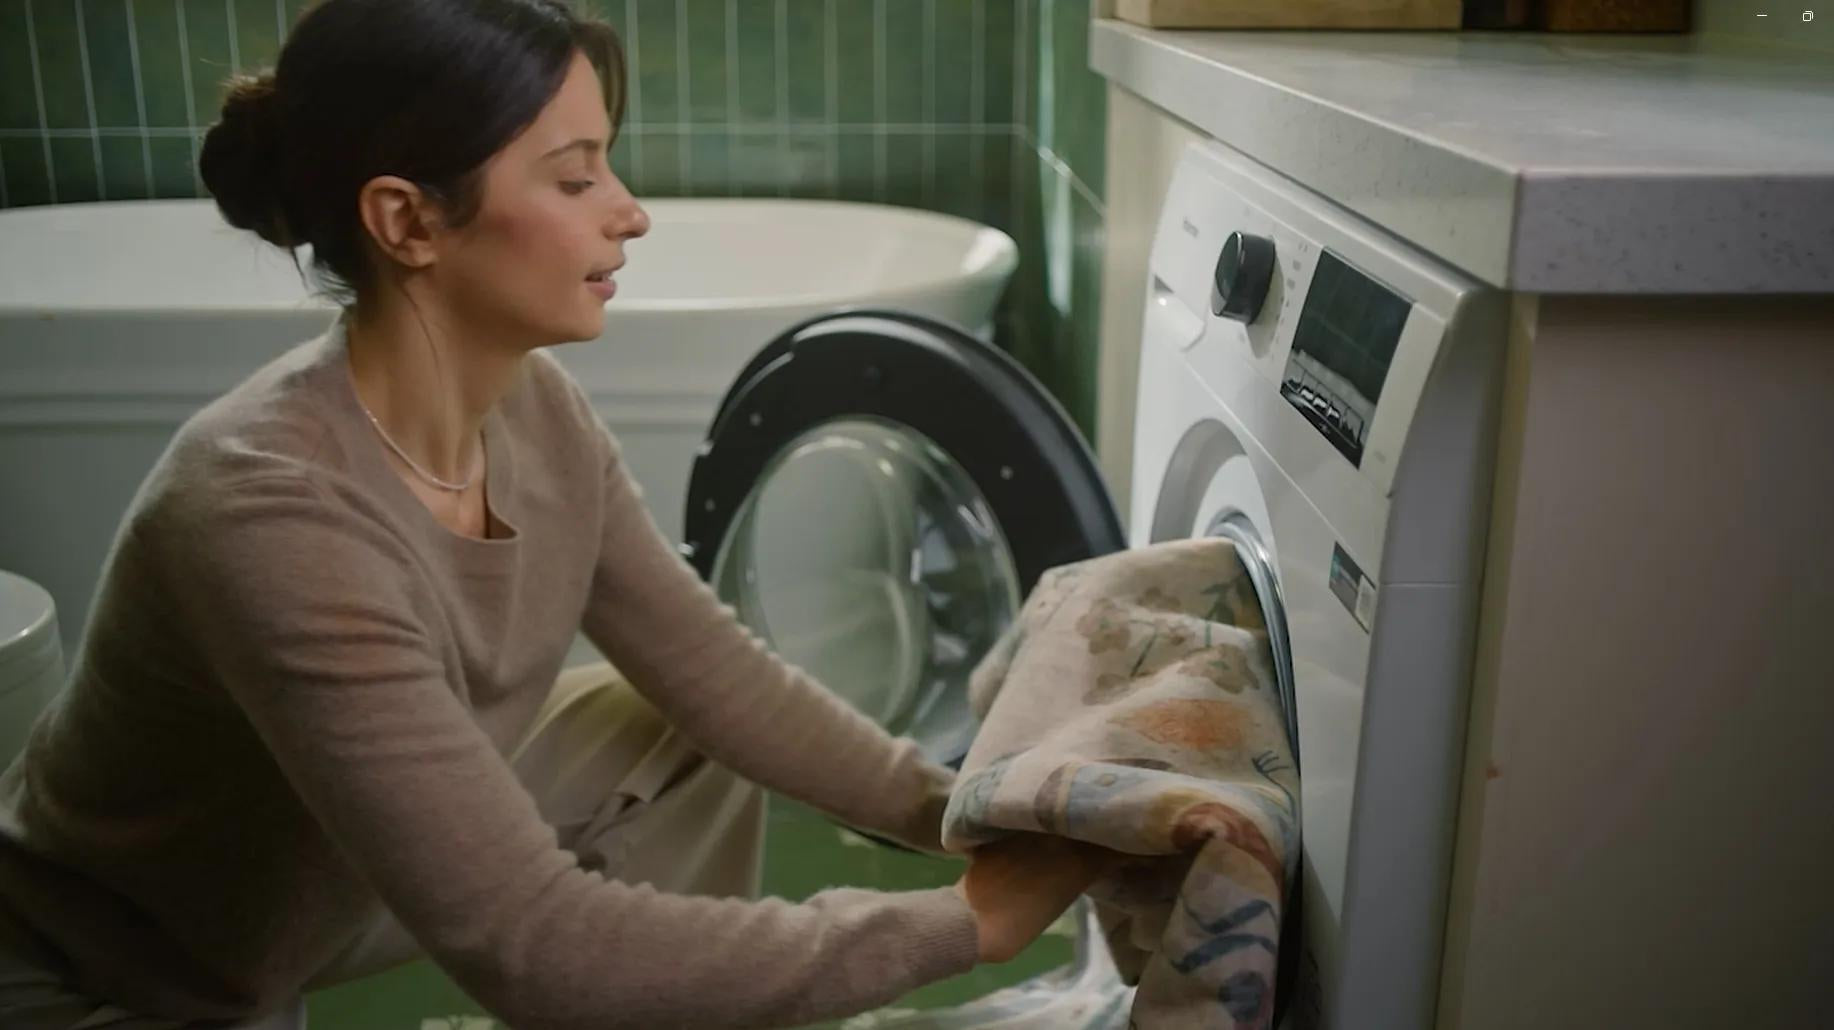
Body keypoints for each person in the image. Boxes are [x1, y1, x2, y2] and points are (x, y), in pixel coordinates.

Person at [0, 2, 1108, 1027]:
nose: (630, 213)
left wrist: (966, 809)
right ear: (408, 221)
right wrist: (976, 921)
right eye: (575, 180)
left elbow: (718, 675)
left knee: (671, 726)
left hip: (298, 897)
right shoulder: (266, 512)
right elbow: (532, 940)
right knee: (559, 948)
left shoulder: (533, 411)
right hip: (112, 981)